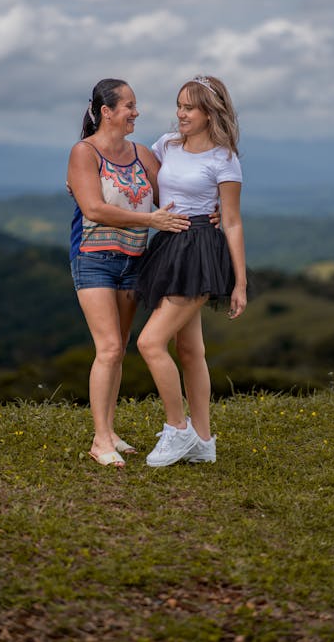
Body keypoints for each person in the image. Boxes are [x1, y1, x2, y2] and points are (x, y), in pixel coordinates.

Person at [67, 78, 195, 468]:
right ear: (106, 112)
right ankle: (100, 439)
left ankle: (108, 431)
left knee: (118, 350)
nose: (135, 112)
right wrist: (150, 219)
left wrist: (210, 210)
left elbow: (170, 193)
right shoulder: (84, 153)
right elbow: (94, 209)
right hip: (94, 258)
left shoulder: (142, 153)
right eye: (128, 106)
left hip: (134, 260)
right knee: (107, 348)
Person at [136, 75, 247, 467]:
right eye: (179, 105)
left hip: (201, 247)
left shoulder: (224, 158)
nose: (180, 113)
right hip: (168, 245)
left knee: (150, 343)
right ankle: (203, 440)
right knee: (188, 349)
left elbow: (231, 221)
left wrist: (240, 283)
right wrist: (83, 181)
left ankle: (177, 429)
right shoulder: (165, 145)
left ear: (209, 113)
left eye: (189, 107)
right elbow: (132, 169)